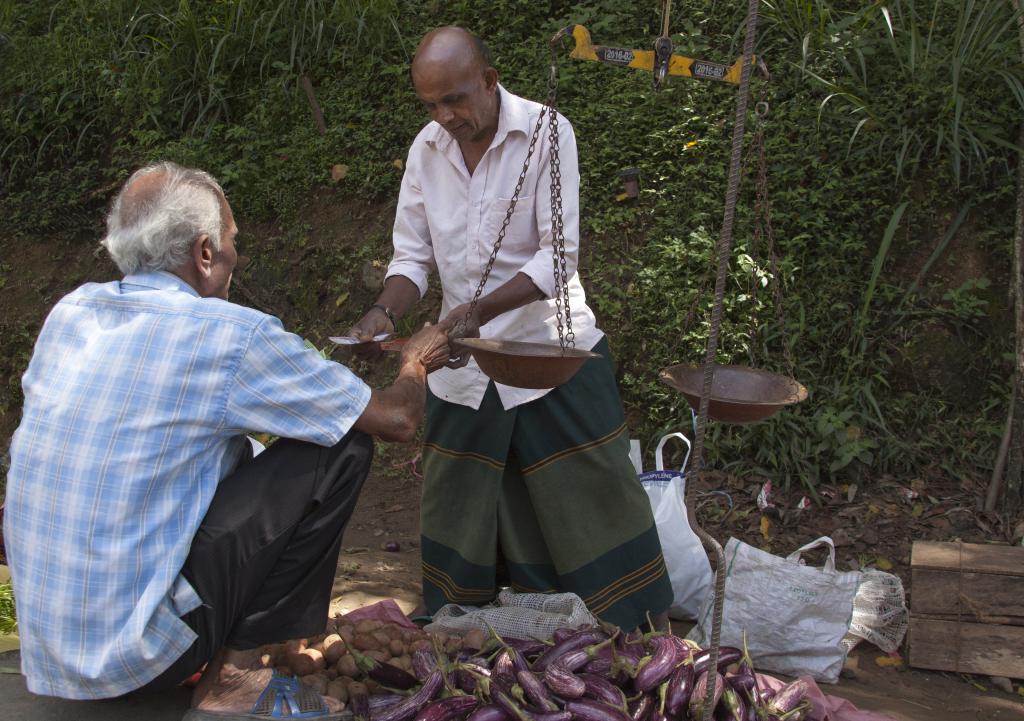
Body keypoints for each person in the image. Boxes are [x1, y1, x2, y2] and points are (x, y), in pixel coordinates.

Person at [3, 161, 450, 718]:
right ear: (206, 253)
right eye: (234, 241)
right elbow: (395, 421)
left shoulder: (71, 314)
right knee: (340, 448)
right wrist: (415, 362)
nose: (238, 255)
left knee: (266, 456)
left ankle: (224, 651)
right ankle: (236, 679)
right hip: (141, 657)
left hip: (51, 653)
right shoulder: (229, 334)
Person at [348, 27, 673, 631]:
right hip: (463, 363)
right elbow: (412, 257)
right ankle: (466, 627)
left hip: (547, 346)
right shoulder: (428, 149)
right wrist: (386, 311)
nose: (445, 116)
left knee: (588, 497)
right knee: (462, 500)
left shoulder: (549, 132)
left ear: (490, 81)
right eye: (431, 105)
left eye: (456, 100)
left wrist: (475, 313)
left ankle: (622, 623)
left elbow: (557, 258)